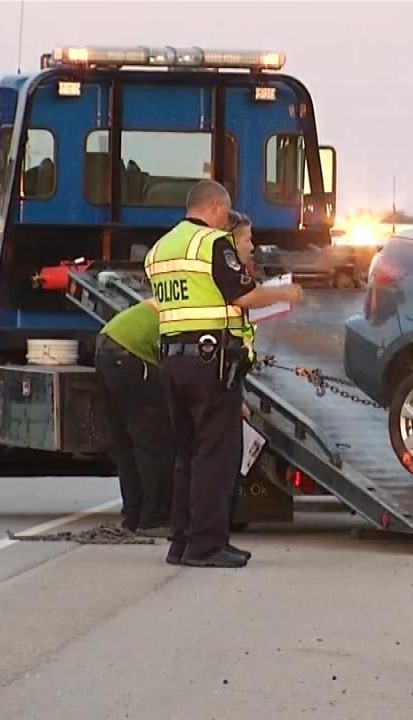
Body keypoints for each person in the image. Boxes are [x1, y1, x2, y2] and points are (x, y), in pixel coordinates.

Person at [145, 180, 304, 568]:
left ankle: (181, 541)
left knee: (186, 454)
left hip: (173, 359)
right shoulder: (212, 244)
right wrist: (285, 294)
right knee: (216, 455)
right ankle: (207, 545)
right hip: (209, 361)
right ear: (215, 207)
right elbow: (242, 295)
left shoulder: (158, 250)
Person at [94, 298, 173, 537]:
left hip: (108, 342)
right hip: (131, 351)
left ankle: (134, 515)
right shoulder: (208, 312)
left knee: (126, 441)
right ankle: (154, 518)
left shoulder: (178, 297)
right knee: (153, 440)